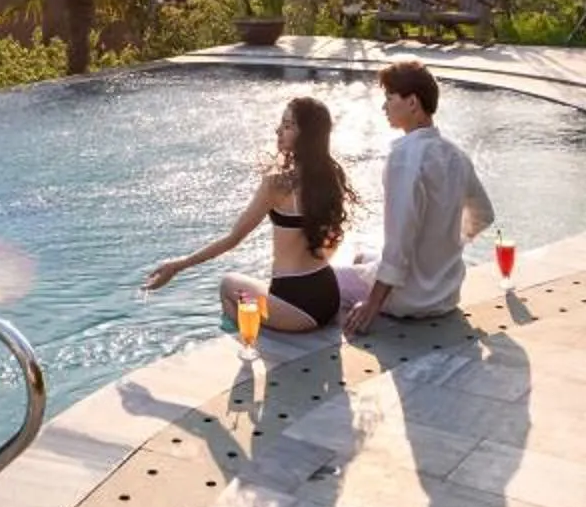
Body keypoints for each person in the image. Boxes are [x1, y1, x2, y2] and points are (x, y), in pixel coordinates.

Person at [142, 94, 351, 333]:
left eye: (287, 126)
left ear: (307, 135)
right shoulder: (331, 176)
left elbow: (233, 239)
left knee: (228, 285)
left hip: (296, 306)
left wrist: (178, 265)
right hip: (328, 296)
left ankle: (248, 341)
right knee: (252, 288)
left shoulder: (277, 185)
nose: (278, 131)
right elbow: (332, 240)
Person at [342, 60, 494, 338]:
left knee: (315, 285)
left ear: (412, 102)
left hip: (408, 300)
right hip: (445, 295)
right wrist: (443, 246)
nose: (384, 107)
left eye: (390, 98)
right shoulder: (456, 155)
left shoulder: (404, 158)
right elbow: (484, 215)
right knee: (362, 255)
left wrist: (372, 305)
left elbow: (399, 243)